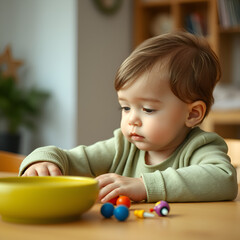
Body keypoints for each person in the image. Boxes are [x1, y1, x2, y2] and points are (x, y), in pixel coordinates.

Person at [19, 31, 238, 203]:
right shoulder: (123, 147)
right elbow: (73, 160)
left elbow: (224, 179)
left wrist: (144, 186)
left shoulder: (200, 147)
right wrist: (44, 159)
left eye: (148, 109)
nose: (132, 120)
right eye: (125, 108)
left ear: (192, 114)